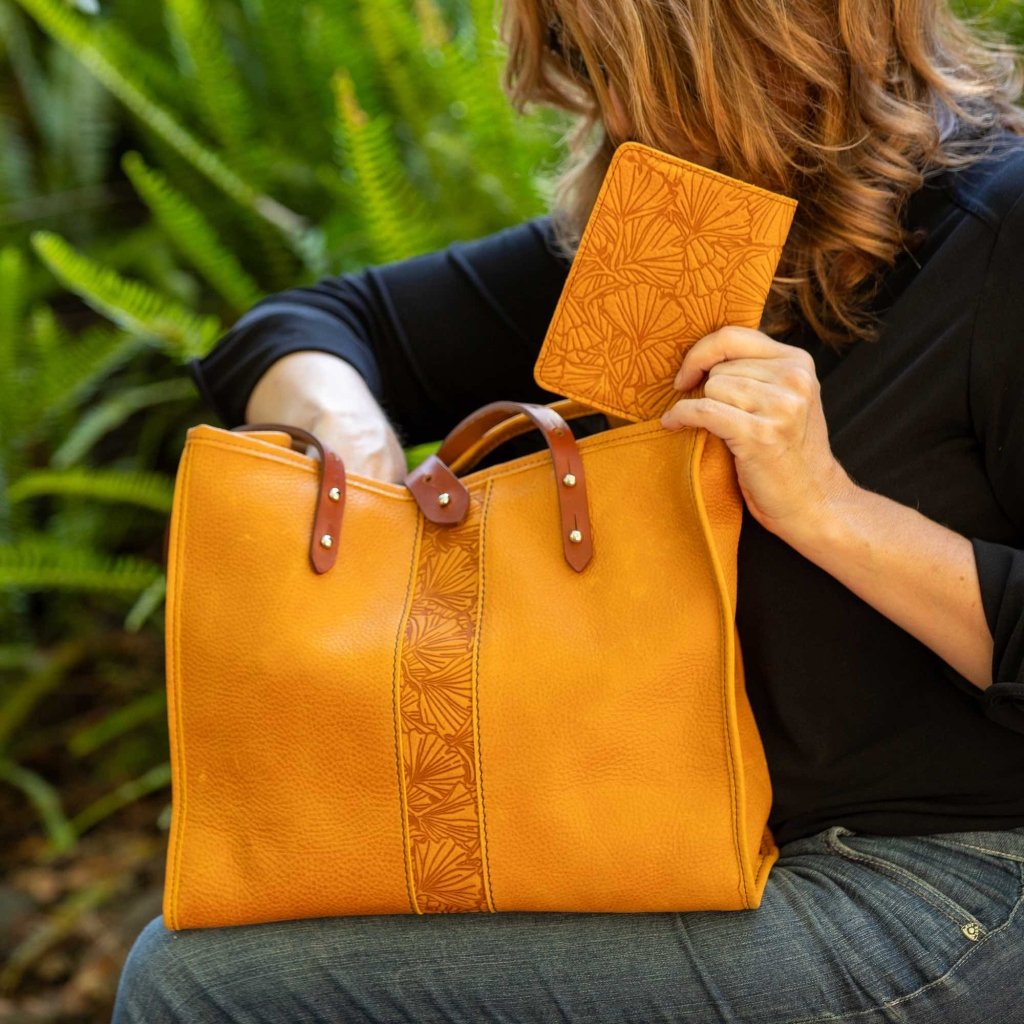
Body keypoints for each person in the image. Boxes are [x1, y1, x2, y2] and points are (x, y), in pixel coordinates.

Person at [112, 0, 1024, 1020]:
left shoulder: (1001, 233)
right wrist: (355, 449)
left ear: (743, 50)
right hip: (685, 841)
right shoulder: (678, 236)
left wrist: (826, 507)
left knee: (197, 990)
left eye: (595, 59)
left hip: (956, 876)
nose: (586, 104)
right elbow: (313, 324)